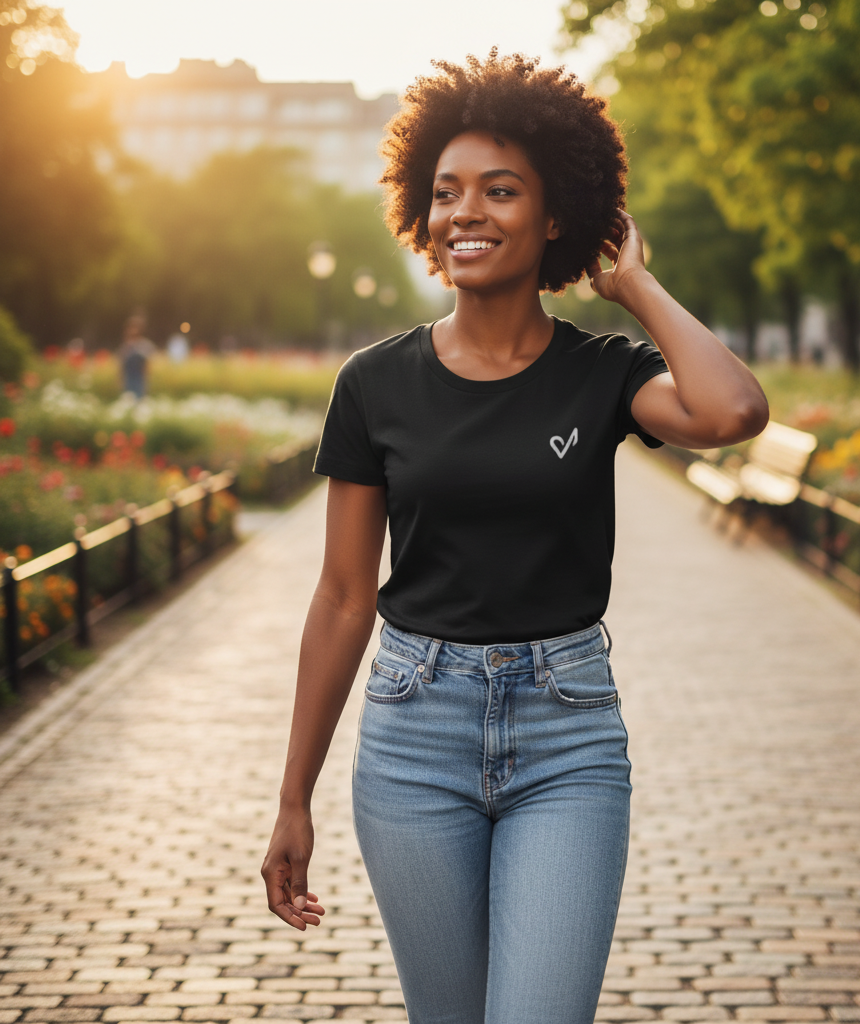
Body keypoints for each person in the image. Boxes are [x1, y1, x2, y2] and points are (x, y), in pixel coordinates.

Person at [261, 51, 768, 1024]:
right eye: (446, 191)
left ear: (554, 217)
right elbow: (341, 596)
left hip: (565, 733)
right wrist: (294, 795)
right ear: (420, 208)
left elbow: (733, 408)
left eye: (500, 191)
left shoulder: (602, 372)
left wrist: (634, 287)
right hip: (414, 732)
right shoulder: (375, 384)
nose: (466, 213)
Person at [119, 314, 155, 399]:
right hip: (128, 380)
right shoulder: (124, 347)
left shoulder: (144, 345)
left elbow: (147, 365)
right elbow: (121, 365)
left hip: (140, 381)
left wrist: (147, 382)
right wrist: (120, 381)